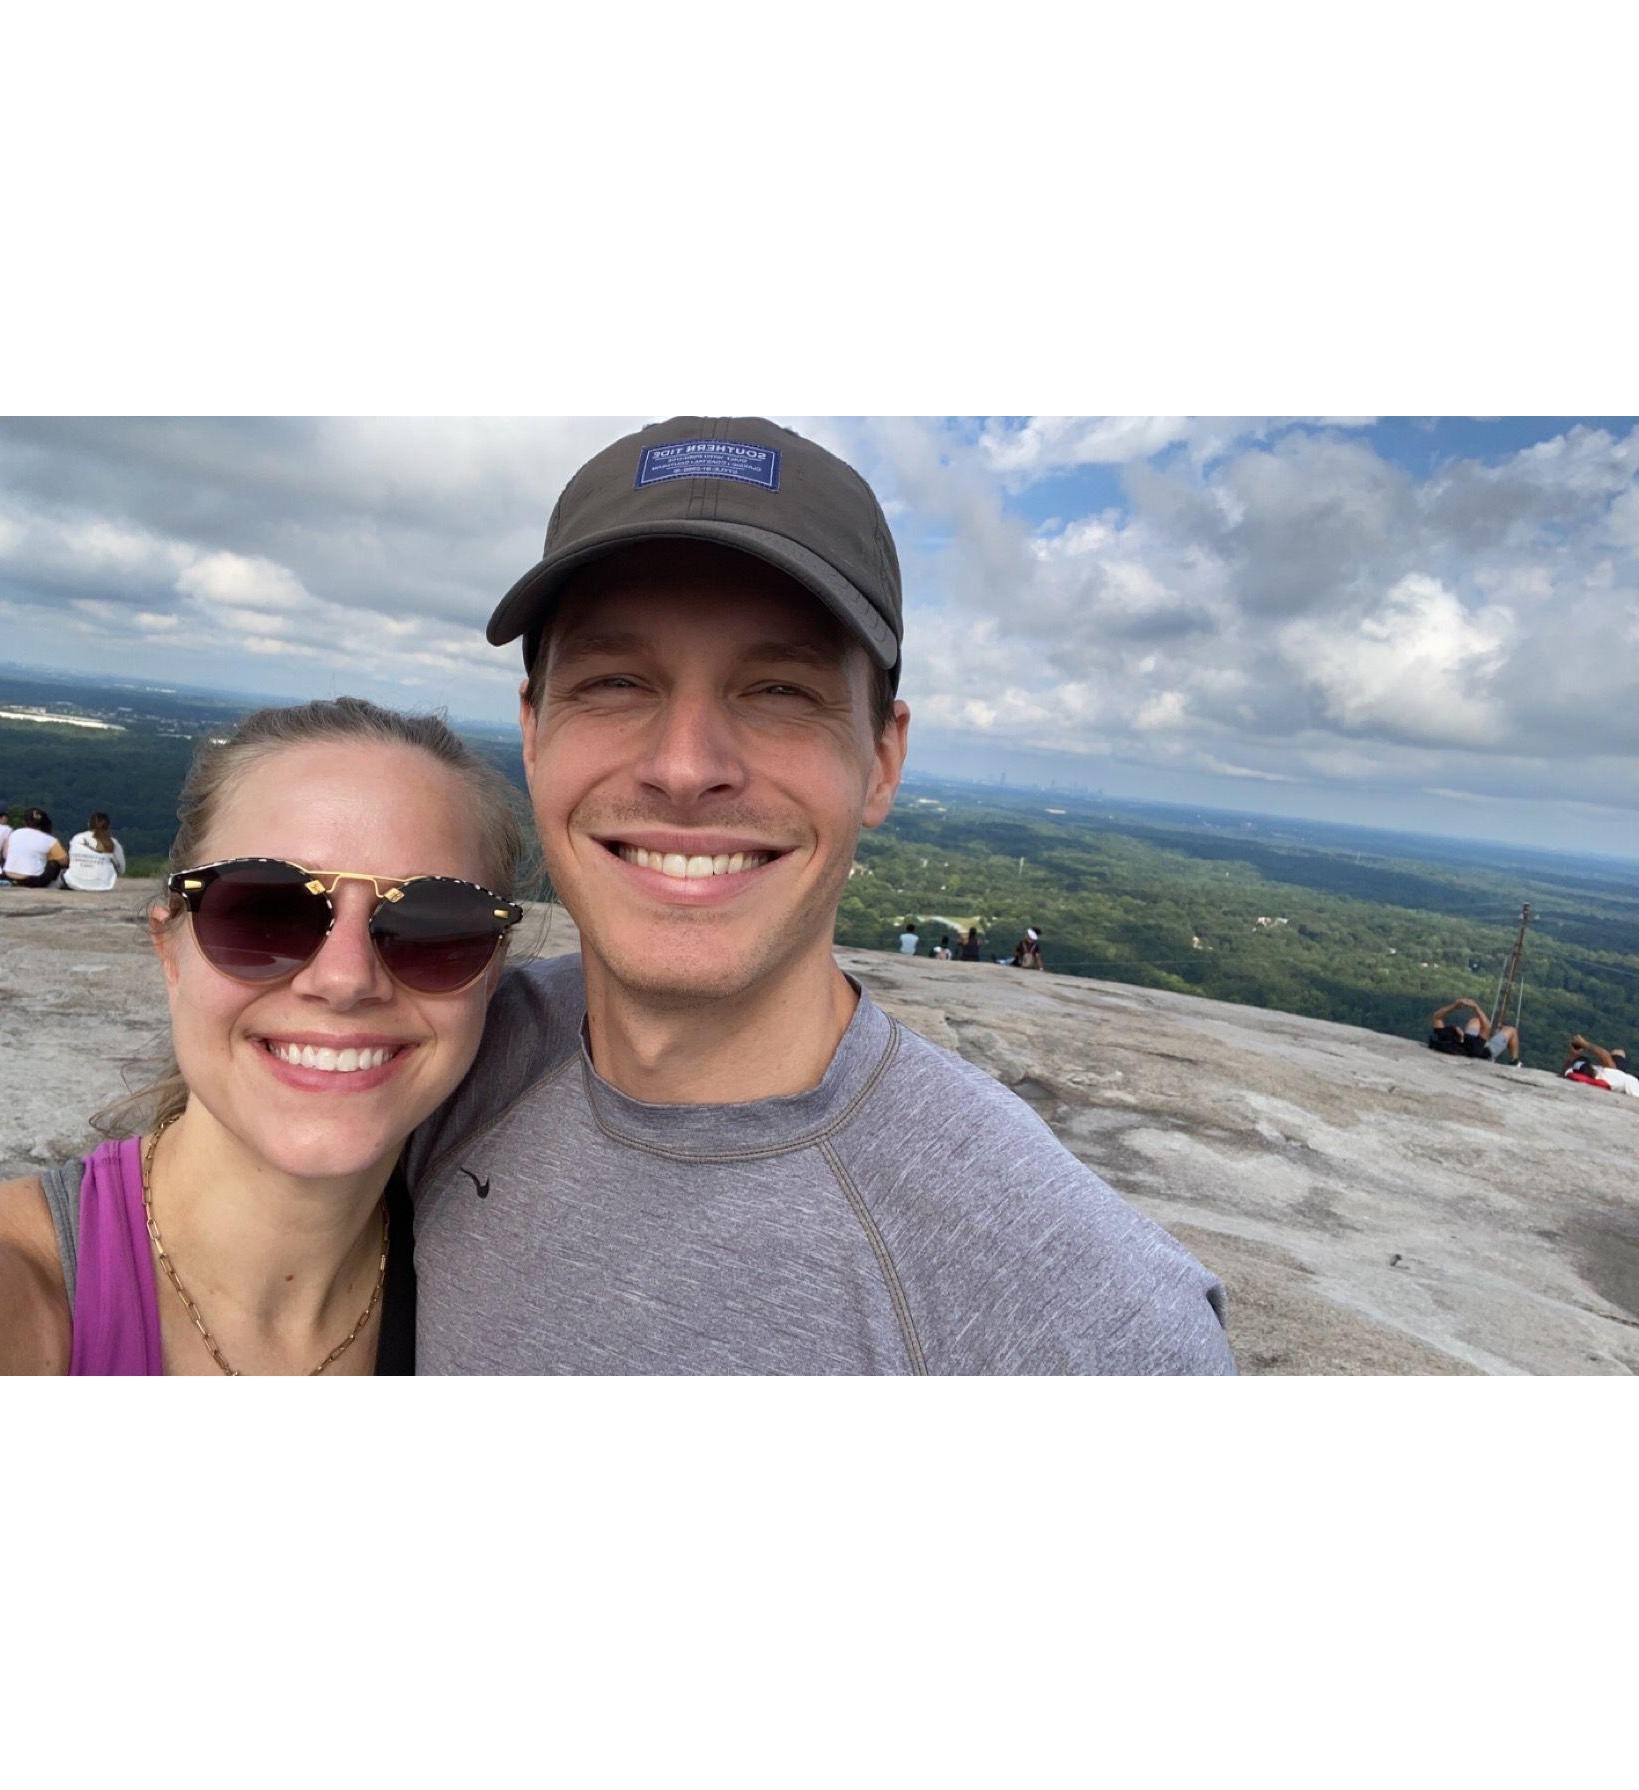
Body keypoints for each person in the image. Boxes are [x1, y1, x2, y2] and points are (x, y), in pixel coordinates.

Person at [405, 415, 1233, 1374]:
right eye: (616, 681)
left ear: (882, 760)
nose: (684, 768)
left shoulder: (1068, 1317)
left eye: (780, 691)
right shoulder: (436, 1063)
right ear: (535, 733)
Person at [0, 699, 527, 1374]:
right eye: (263, 911)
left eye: (436, 926)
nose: (345, 979)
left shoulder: (502, 1287)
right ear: (169, 949)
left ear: (493, 972)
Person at [1427, 998, 1519, 1066]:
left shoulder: (1440, 1039)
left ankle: (1497, 1030)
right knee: (1511, 1030)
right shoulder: (1474, 1048)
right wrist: (1475, 1007)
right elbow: (1487, 1027)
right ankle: (1514, 1061)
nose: (1458, 1027)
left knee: (1475, 1021)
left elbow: (1436, 1017)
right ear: (1461, 1037)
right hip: (1486, 1050)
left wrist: (1454, 1006)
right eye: (1457, 1029)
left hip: (1467, 1042)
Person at [2, 806, 70, 888]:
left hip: (8, 876)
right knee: (54, 863)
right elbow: (64, 862)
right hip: (32, 880)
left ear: (25, 821)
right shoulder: (50, 840)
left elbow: (5, 856)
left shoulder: (14, 833)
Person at [64, 811, 128, 891]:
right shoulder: (113, 843)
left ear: (88, 824)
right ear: (108, 827)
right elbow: (121, 869)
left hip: (74, 883)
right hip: (104, 885)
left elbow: (69, 860)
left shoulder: (77, 838)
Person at [1562, 1035, 1639, 1098]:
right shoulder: (1608, 1075)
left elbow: (1565, 1072)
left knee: (1618, 1052)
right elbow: (1604, 1055)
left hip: (1607, 1069)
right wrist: (1584, 1044)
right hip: (1617, 1072)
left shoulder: (1576, 1073)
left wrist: (1572, 1055)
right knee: (1619, 1052)